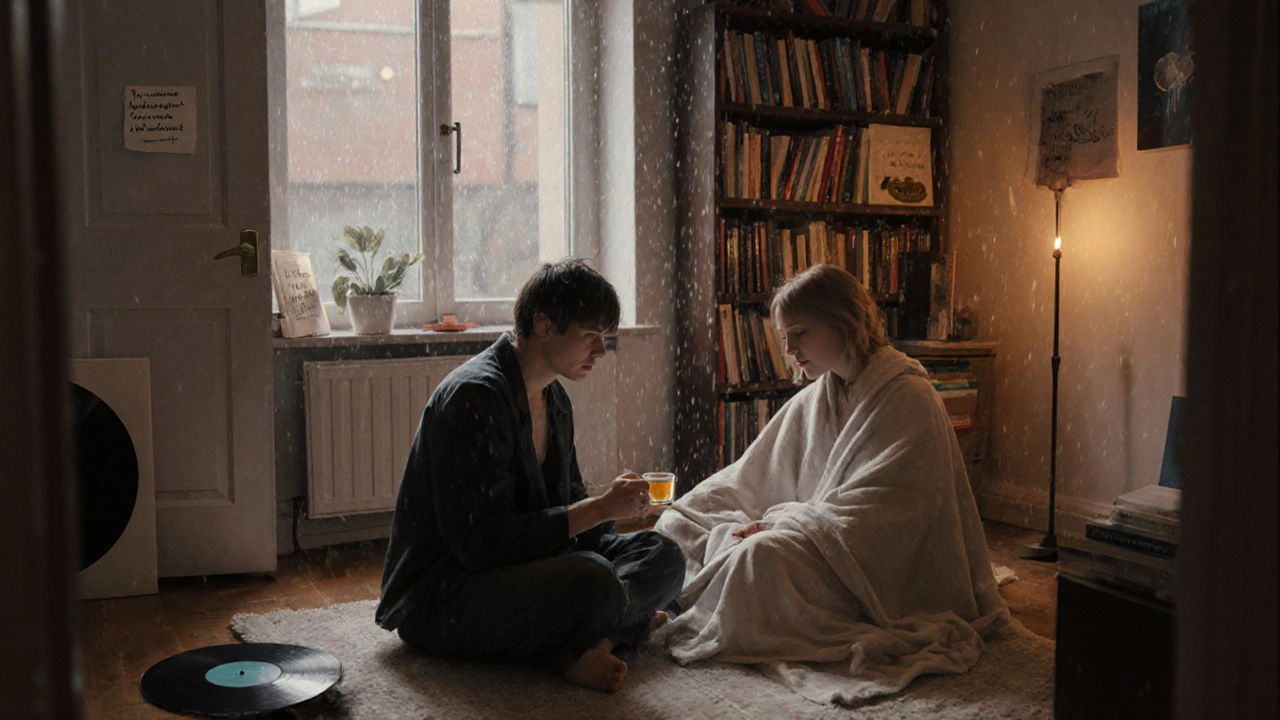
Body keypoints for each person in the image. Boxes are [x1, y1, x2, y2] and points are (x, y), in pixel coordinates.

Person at [653, 264, 1009, 704]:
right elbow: (753, 474)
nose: (789, 349)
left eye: (799, 332)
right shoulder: (819, 393)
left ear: (844, 321)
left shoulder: (909, 398)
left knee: (758, 561)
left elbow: (888, 515)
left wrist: (779, 525)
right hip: (813, 530)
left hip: (858, 560)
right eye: (784, 336)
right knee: (677, 523)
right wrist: (722, 514)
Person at [377, 259, 685, 694]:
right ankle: (607, 630)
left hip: (521, 571)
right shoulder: (474, 397)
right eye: (591, 336)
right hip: (442, 597)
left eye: (605, 338)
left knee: (664, 553)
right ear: (543, 324)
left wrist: (612, 509)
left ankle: (602, 636)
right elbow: (481, 547)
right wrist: (596, 510)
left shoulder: (554, 398)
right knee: (593, 578)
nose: (601, 351)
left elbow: (573, 516)